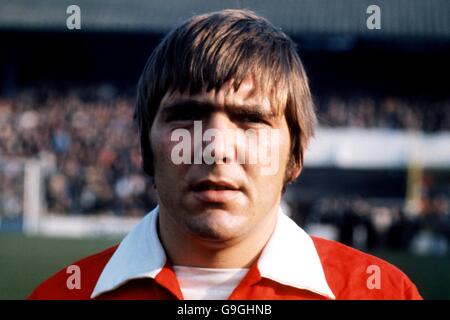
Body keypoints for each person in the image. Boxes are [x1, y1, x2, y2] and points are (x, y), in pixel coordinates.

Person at [28, 9, 422, 300]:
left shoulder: (383, 293)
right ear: (146, 148)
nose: (216, 147)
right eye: (186, 116)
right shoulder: (59, 295)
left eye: (250, 120)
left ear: (296, 156)